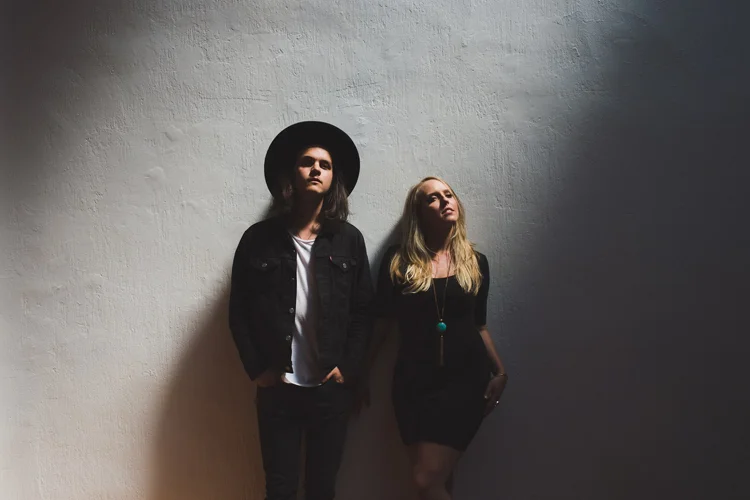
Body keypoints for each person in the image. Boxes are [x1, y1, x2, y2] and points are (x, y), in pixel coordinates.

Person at [229, 121, 374, 500]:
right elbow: (238, 310)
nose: (315, 169)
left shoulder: (349, 240)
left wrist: (348, 368)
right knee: (279, 489)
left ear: (333, 178)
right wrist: (257, 369)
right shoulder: (258, 239)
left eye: (324, 165)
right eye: (307, 162)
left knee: (322, 489)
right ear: (291, 174)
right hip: (278, 387)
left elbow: (363, 312)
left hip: (330, 388)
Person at [372, 176, 507, 500]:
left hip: (465, 382)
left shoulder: (476, 262)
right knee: (437, 482)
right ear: (418, 212)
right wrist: (361, 373)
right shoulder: (398, 261)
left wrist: (500, 372)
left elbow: (479, 325)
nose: (445, 200)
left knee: (425, 478)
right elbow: (382, 325)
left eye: (448, 194)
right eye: (433, 198)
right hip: (413, 384)